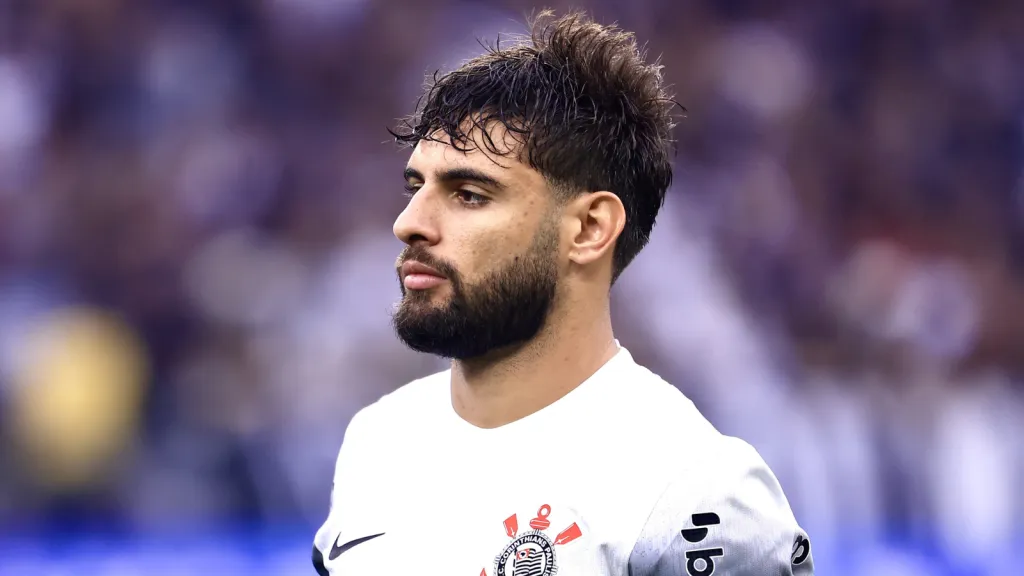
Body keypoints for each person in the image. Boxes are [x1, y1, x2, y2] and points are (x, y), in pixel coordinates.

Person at [312, 10, 813, 576]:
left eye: (470, 194)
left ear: (589, 229)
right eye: (415, 186)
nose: (409, 222)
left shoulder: (694, 493)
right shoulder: (378, 440)